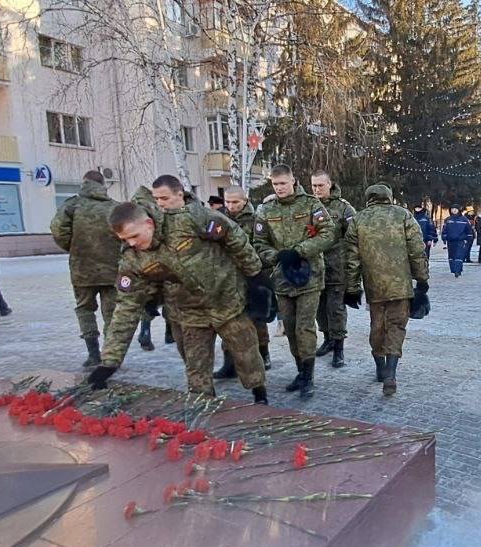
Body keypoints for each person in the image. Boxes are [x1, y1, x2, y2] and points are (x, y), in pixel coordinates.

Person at [86, 198, 269, 403]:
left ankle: (260, 396)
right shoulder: (132, 259)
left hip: (227, 301)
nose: (131, 243)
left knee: (248, 356)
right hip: (189, 312)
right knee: (196, 370)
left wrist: (255, 277)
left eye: (134, 236)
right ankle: (203, 407)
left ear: (149, 224)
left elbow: (232, 234)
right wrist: (109, 363)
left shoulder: (186, 220)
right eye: (124, 239)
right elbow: (126, 308)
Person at [252, 165, 334, 399]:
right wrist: (276, 256)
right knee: (289, 328)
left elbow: (328, 233)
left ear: (293, 181)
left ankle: (308, 377)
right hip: (282, 278)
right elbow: (259, 242)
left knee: (304, 327)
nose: (279, 188)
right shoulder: (266, 210)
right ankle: (300, 370)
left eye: (283, 183)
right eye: (275, 184)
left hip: (310, 276)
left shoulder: (310, 204)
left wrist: (299, 251)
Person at [342, 183, 429, 395]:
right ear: (389, 197)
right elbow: (417, 250)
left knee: (377, 326)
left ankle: (380, 368)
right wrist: (422, 279)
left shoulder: (358, 219)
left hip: (374, 287)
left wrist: (352, 288)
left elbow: (351, 259)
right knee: (397, 327)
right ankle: (390, 373)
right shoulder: (404, 216)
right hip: (401, 286)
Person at [51, 170, 121, 367]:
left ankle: (93, 353)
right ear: (103, 184)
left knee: (84, 308)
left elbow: (58, 231)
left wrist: (74, 248)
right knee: (113, 313)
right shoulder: (114, 207)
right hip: (112, 268)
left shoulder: (72, 205)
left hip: (83, 268)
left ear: (84, 183)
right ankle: (111, 355)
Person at [217, 186, 275, 375]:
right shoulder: (218, 219)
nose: (231, 206)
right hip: (226, 279)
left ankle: (263, 354)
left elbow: (262, 246)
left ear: (245, 200)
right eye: (227, 201)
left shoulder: (256, 220)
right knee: (226, 320)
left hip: (251, 276)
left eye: (235, 202)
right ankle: (229, 363)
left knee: (257, 319)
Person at [310, 170, 356, 369]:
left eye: (320, 185)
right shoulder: (308, 206)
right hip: (314, 269)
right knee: (319, 309)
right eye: (314, 186)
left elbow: (354, 238)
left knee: (335, 309)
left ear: (330, 184)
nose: (317, 189)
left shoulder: (344, 208)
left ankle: (339, 348)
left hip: (337, 268)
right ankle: (327, 339)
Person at [441, 207, 474, 277]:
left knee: (459, 255)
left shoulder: (464, 219)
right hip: (450, 240)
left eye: (456, 209)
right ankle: (454, 269)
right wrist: (444, 238)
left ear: (459, 210)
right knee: (452, 256)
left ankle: (457, 270)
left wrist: (468, 238)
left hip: (460, 240)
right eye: (452, 209)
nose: (454, 210)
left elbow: (469, 230)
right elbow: (444, 230)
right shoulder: (448, 219)